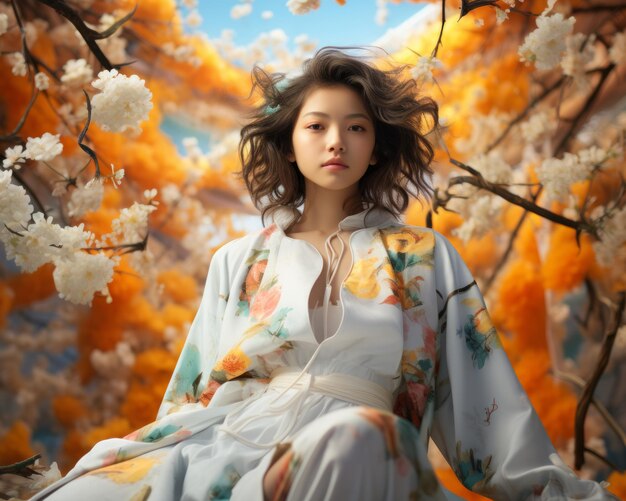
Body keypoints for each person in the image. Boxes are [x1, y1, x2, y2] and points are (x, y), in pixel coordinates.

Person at [31, 46, 617, 501]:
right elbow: (189, 398)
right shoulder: (238, 260)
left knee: (356, 438)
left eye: (356, 127)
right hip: (228, 443)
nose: (336, 141)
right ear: (288, 143)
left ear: (378, 146)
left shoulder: (424, 256)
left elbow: (485, 406)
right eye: (316, 126)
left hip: (360, 448)